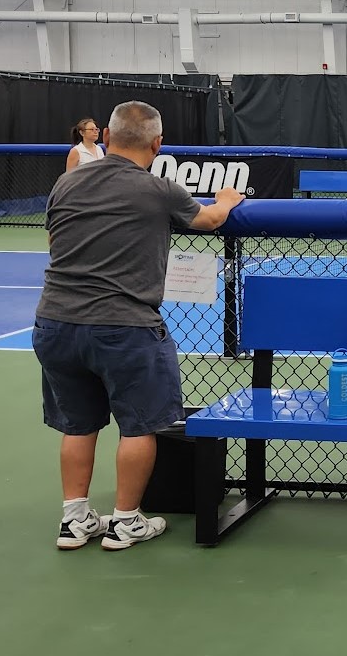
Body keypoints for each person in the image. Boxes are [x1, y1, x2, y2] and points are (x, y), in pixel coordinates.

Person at [35, 100, 244, 551]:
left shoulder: (65, 184)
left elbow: (54, 242)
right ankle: (125, 521)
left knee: (78, 425)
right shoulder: (158, 189)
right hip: (124, 326)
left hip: (55, 322)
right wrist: (226, 200)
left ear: (106, 139)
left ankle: (74, 521)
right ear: (157, 144)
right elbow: (208, 220)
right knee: (139, 427)